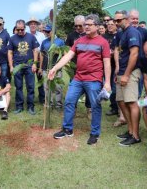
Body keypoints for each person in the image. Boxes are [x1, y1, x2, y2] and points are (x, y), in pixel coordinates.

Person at [49, 14, 111, 145]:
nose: (86, 27)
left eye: (89, 25)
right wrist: (55, 68)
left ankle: (95, 133)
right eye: (85, 24)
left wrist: (107, 82)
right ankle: (67, 129)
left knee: (95, 106)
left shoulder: (103, 42)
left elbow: (107, 63)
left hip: (94, 80)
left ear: (97, 26)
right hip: (78, 78)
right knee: (69, 101)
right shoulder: (79, 41)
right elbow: (68, 56)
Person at [114, 10, 142, 146]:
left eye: (119, 20)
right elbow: (119, 52)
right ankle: (130, 131)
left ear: (127, 19)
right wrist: (118, 72)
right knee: (121, 101)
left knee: (131, 102)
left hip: (130, 72)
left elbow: (134, 54)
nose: (116, 23)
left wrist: (126, 74)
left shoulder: (132, 32)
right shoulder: (122, 33)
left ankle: (136, 136)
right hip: (122, 72)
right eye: (115, 21)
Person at [8, 19, 39, 115]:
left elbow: (35, 50)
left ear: (25, 27)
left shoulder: (31, 37)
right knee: (18, 87)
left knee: (30, 87)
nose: (20, 31)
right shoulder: (12, 38)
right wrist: (11, 66)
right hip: (17, 66)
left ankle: (30, 107)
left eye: (22, 29)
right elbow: (10, 52)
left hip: (29, 66)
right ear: (16, 29)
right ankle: (19, 106)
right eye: (18, 30)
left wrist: (34, 63)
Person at [65, 15, 91, 117]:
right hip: (74, 67)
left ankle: (89, 109)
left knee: (89, 89)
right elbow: (67, 49)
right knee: (73, 88)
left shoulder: (89, 34)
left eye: (80, 26)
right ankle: (73, 109)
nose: (78, 28)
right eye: (76, 26)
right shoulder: (71, 36)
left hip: (87, 67)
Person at [39, 25, 65, 109]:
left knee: (58, 87)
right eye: (45, 31)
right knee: (46, 87)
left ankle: (58, 104)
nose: (46, 33)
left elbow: (64, 54)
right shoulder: (44, 42)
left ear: (53, 31)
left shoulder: (60, 42)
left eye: (48, 31)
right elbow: (42, 55)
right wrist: (40, 67)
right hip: (46, 68)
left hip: (57, 68)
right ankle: (48, 104)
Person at [26, 17, 46, 104]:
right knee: (30, 80)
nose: (33, 25)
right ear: (29, 25)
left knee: (40, 78)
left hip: (40, 59)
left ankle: (42, 98)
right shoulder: (26, 35)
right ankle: (30, 99)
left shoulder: (42, 35)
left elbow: (43, 48)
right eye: (31, 24)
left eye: (34, 24)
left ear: (37, 25)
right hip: (29, 59)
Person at [103, 19, 120, 118]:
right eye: (108, 24)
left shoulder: (118, 35)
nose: (109, 26)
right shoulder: (103, 37)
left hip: (116, 65)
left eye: (111, 24)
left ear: (115, 25)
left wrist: (112, 53)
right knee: (109, 86)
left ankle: (119, 108)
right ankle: (113, 107)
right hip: (107, 65)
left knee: (116, 88)